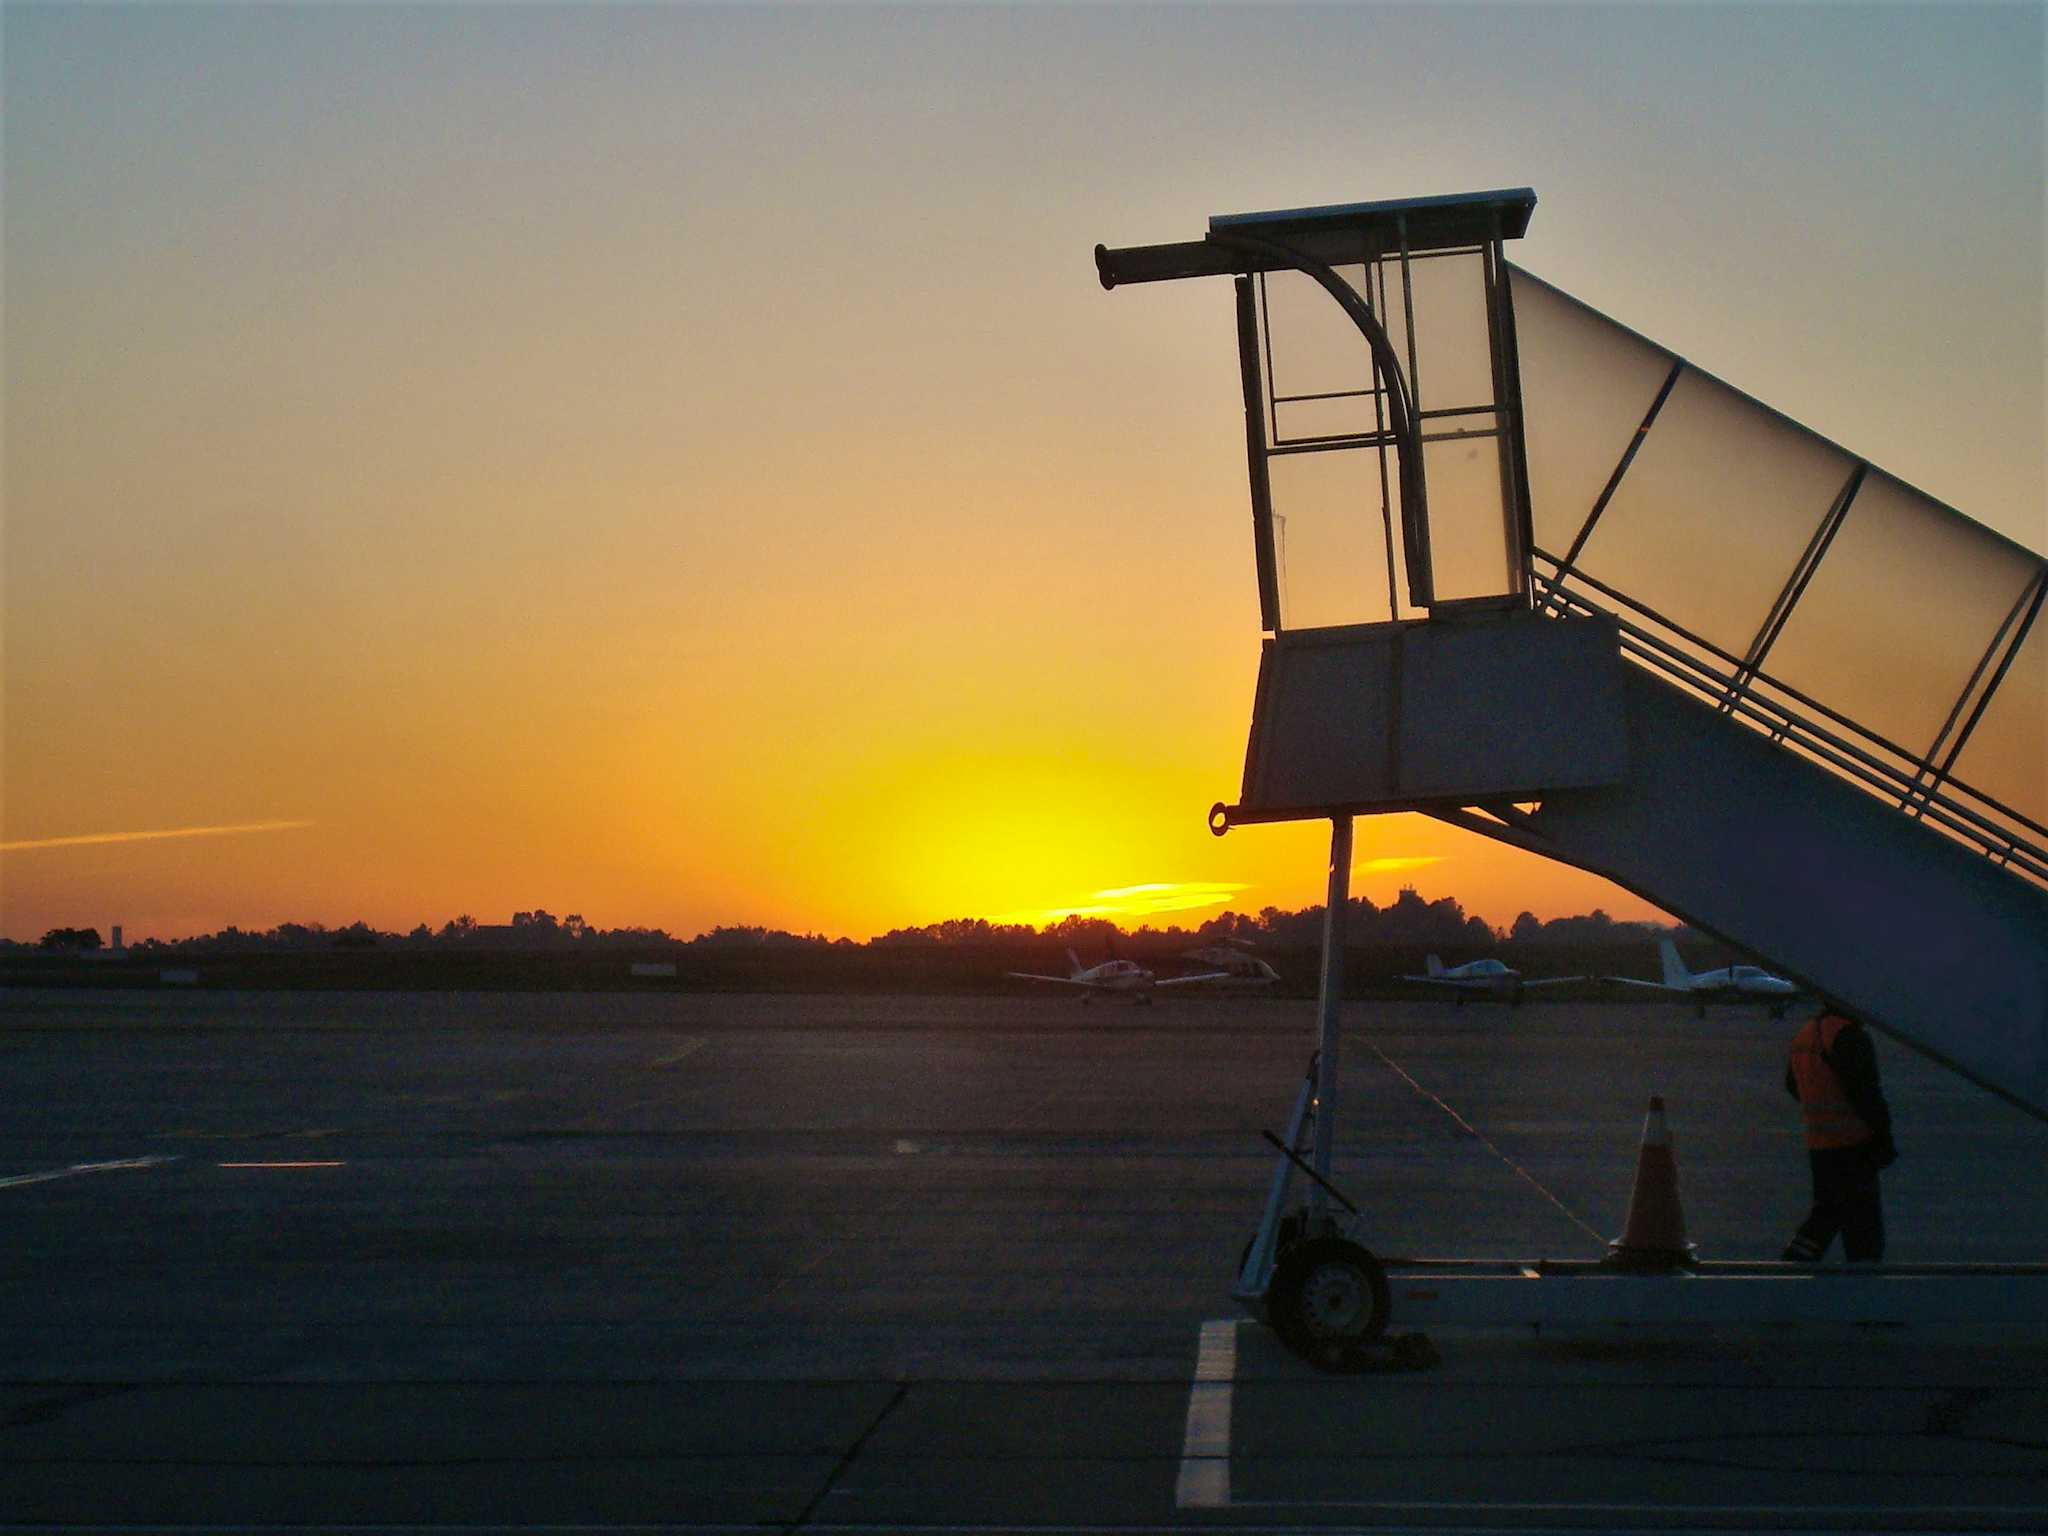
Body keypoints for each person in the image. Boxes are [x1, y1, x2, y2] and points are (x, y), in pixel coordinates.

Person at [1782, 1000, 1896, 1263]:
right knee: (1862, 1224)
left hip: (1820, 1146)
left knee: (1826, 1213)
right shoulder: (1848, 1036)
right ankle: (1863, 1283)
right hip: (1853, 1146)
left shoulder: (1806, 1034)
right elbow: (1866, 1093)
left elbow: (1793, 1084)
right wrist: (1883, 1138)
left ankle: (1792, 1268)